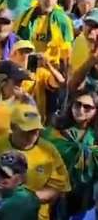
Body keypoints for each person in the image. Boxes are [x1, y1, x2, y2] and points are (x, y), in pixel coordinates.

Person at [0, 104, 71, 220]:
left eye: (35, 131)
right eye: (26, 131)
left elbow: (59, 188)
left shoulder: (48, 151)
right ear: (13, 126)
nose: (31, 136)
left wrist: (27, 199)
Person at [42, 89, 98, 218]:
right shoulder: (55, 130)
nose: (81, 109)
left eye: (87, 107)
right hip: (53, 191)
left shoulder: (95, 138)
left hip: (83, 195)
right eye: (77, 104)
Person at [16, 0, 74, 66]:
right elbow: (17, 37)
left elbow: (67, 49)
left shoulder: (62, 20)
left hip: (51, 65)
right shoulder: (27, 15)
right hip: (28, 62)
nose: (49, 1)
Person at [0, 60, 37, 139]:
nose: (20, 85)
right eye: (17, 81)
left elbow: (33, 127)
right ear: (2, 82)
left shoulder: (23, 102)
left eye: (21, 81)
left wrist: (29, 103)